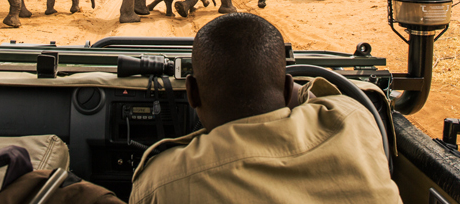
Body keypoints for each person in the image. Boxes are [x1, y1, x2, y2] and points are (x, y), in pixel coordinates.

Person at [129, 13, 401, 204]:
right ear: (285, 89)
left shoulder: (160, 183)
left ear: (192, 93)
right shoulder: (353, 119)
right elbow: (316, 94)